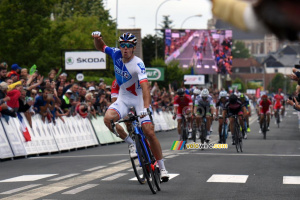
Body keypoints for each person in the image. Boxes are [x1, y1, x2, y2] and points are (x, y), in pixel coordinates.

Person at [92, 31, 169, 181]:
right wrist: (97, 39)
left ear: (133, 48)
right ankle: (132, 143)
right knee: (108, 120)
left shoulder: (138, 64)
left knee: (149, 131)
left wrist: (146, 108)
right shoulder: (115, 54)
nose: (125, 49)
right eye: (122, 46)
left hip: (139, 99)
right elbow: (101, 47)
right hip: (124, 98)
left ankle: (163, 168)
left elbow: (145, 87)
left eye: (128, 46)